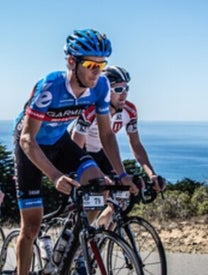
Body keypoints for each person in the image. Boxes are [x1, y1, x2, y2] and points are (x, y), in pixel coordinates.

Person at [12, 29, 132, 275]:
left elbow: (105, 134)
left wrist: (119, 173)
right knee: (32, 225)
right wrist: (54, 176)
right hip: (32, 145)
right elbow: (28, 138)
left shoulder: (100, 87)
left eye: (101, 65)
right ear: (71, 62)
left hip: (60, 143)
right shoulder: (51, 85)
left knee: (98, 185)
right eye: (90, 65)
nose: (97, 72)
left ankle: (77, 249)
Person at [70, 65, 164, 228]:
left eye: (126, 88)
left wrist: (151, 174)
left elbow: (136, 145)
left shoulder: (130, 110)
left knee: (126, 191)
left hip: (102, 153)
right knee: (100, 193)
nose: (124, 94)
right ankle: (79, 241)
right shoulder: (90, 108)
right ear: (106, 90)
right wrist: (93, 175)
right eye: (118, 89)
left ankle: (103, 231)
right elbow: (75, 144)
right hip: (81, 151)